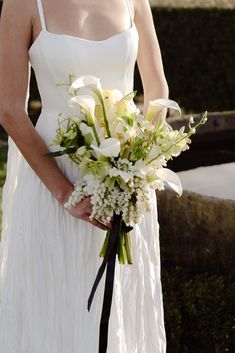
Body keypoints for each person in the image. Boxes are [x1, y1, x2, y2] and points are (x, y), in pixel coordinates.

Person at [0, 0, 169, 352]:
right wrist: (66, 194)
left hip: (124, 183)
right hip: (53, 178)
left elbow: (157, 93)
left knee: (118, 304)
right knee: (52, 304)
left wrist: (134, 173)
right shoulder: (22, 4)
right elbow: (9, 110)